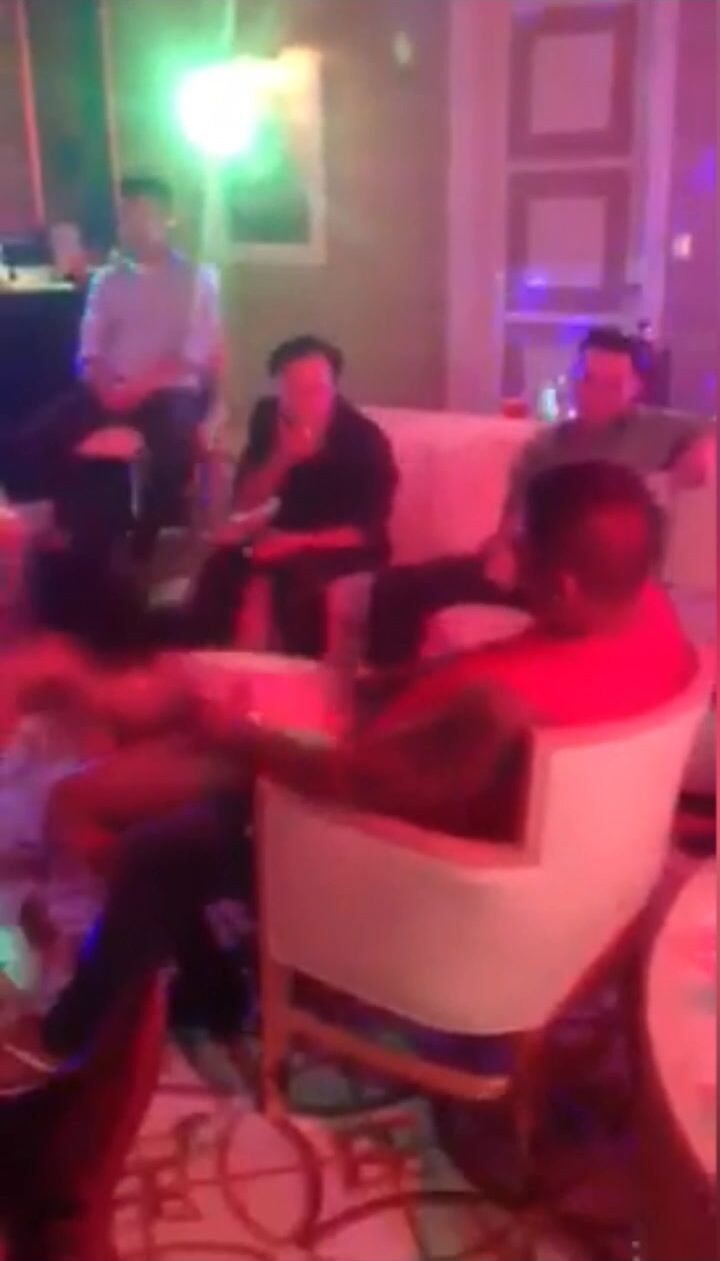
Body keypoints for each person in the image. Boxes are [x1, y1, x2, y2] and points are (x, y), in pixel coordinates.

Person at [0, 461, 696, 1095]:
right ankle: (208, 987)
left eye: (525, 551)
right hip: (452, 799)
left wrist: (240, 737)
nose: (511, 562)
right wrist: (383, 684)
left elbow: (352, 781)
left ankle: (65, 1035)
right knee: (190, 737)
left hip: (385, 863)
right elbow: (495, 673)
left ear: (565, 585)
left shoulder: (500, 712)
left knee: (162, 849)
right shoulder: (652, 623)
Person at [367, 325, 714, 667]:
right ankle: (390, 685)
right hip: (540, 573)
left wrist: (700, 451)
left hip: (611, 588)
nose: (593, 392)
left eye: (611, 385)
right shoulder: (544, 448)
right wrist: (502, 549)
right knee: (395, 587)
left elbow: (708, 426)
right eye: (586, 378)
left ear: (635, 388)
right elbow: (511, 523)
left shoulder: (656, 431)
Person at [11, 175, 223, 564]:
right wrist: (105, 387)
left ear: (167, 218)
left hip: (168, 391)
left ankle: (145, 541)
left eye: (143, 214)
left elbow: (193, 353)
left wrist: (138, 388)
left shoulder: (199, 279)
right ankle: (67, 527)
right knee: (35, 436)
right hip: (108, 388)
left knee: (172, 448)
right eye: (126, 216)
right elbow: (89, 350)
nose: (133, 225)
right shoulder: (107, 280)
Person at [178, 334, 398, 657]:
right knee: (222, 564)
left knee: (296, 579)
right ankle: (201, 659)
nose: (307, 401)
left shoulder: (363, 440)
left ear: (334, 387)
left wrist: (295, 542)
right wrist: (284, 459)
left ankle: (304, 673)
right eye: (295, 390)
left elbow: (366, 531)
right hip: (281, 534)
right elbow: (245, 502)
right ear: (279, 388)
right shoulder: (269, 418)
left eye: (318, 390)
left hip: (343, 546)